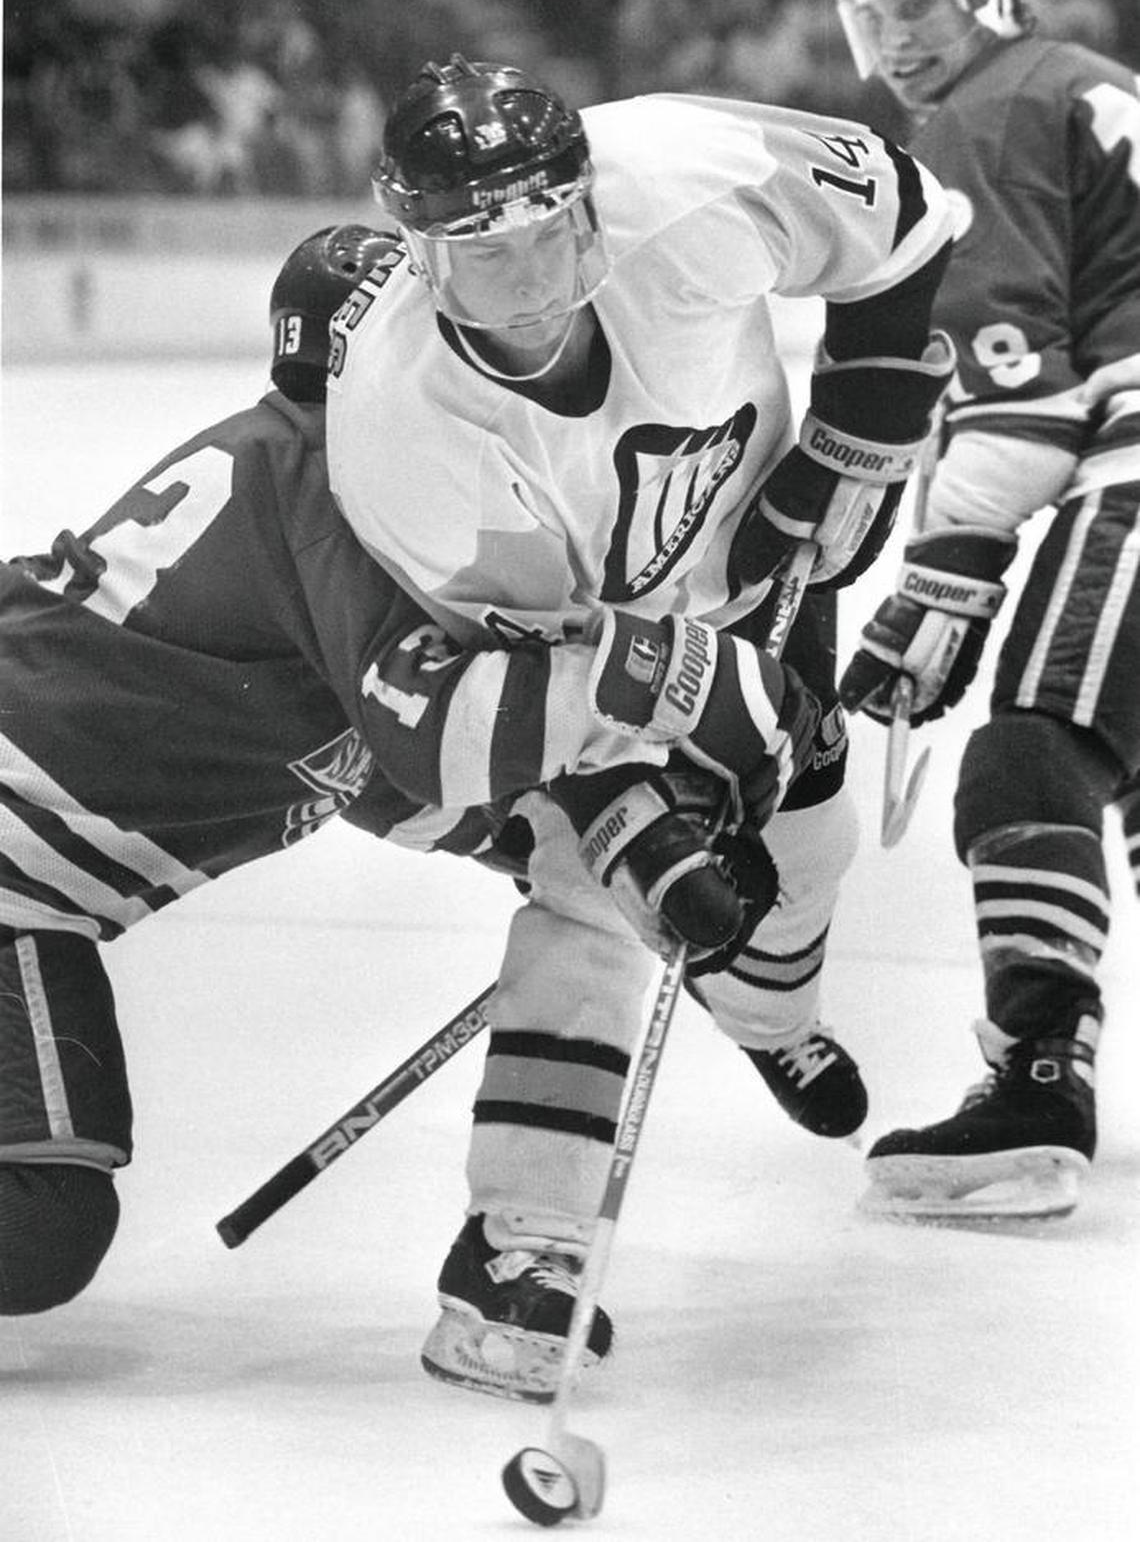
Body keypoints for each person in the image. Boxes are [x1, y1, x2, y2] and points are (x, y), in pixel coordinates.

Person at [0, 223, 809, 1327]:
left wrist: (603, 855)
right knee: (39, 1229)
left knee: (45, 1215)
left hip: (27, 880)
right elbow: (440, 735)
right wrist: (683, 705)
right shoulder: (336, 487)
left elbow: (390, 778)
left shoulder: (320, 485)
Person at [324, 53, 956, 1393]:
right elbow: (544, 696)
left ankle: (771, 1017)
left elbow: (898, 210)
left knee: (815, 847)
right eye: (489, 256)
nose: (541, 278)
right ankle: (518, 1251)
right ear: (420, 253)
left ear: (587, 193)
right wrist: (640, 826)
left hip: (763, 566)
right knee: (598, 896)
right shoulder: (402, 433)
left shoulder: (684, 173)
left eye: (555, 230)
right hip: (593, 649)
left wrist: (857, 429)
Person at [831, 0, 1140, 1219]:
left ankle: (1036, 1081)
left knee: (1031, 748)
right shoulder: (1081, 80)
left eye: (922, 4)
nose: (898, 40)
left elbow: (1027, 406)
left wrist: (940, 577)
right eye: (871, 15)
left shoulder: (985, 112)